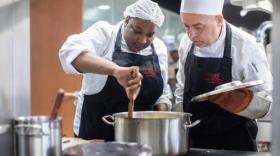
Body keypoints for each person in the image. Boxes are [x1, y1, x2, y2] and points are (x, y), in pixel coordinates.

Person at [59, 0, 171, 141]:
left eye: (150, 35)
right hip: (97, 136)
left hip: (143, 137)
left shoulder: (159, 48)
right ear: (127, 20)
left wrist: (164, 116)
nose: (142, 40)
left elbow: (162, 93)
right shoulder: (105, 34)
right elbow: (69, 52)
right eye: (137, 31)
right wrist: (115, 70)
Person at [174, 0, 273, 151]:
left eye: (198, 27)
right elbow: (181, 90)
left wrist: (245, 102)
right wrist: (179, 128)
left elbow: (268, 102)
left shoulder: (246, 46)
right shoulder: (186, 44)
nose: (191, 34)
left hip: (235, 143)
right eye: (186, 26)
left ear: (219, 20)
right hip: (195, 141)